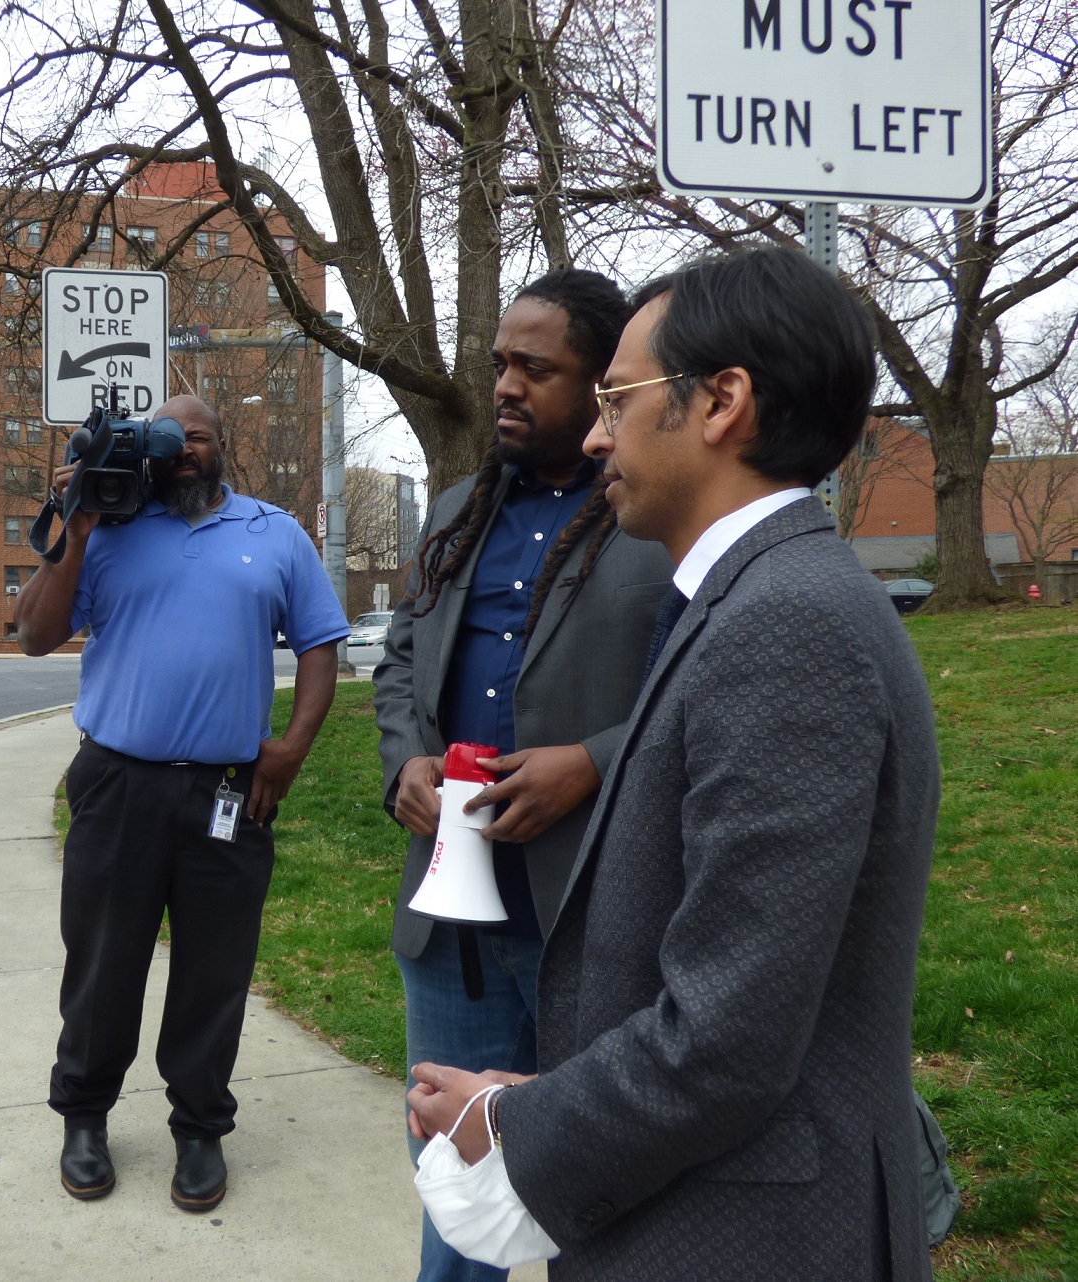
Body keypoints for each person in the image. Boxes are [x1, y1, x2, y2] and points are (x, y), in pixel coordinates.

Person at [407, 247, 940, 1281]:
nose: (597, 432)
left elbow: (726, 1037)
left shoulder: (787, 625)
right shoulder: (752, 597)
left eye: (616, 395)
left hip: (747, 1233)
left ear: (721, 402)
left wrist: (515, 1123)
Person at [374, 269, 670, 1282]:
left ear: (600, 389)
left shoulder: (651, 512)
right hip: (451, 923)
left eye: (533, 369)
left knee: (592, 1185)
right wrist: (402, 766)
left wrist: (591, 763)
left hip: (589, 915)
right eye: (500, 363)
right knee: (457, 1183)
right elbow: (401, 663)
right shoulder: (458, 509)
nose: (504, 385)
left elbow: (699, 689)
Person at [16, 394, 349, 1213]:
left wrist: (294, 746)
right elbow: (32, 634)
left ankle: (200, 1128)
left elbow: (319, 644)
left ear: (222, 446)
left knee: (215, 968)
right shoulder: (108, 531)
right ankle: (84, 1118)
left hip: (227, 791)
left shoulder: (275, 533)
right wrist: (78, 525)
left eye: (197, 437)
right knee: (101, 962)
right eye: (169, 440)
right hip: (117, 782)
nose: (184, 451)